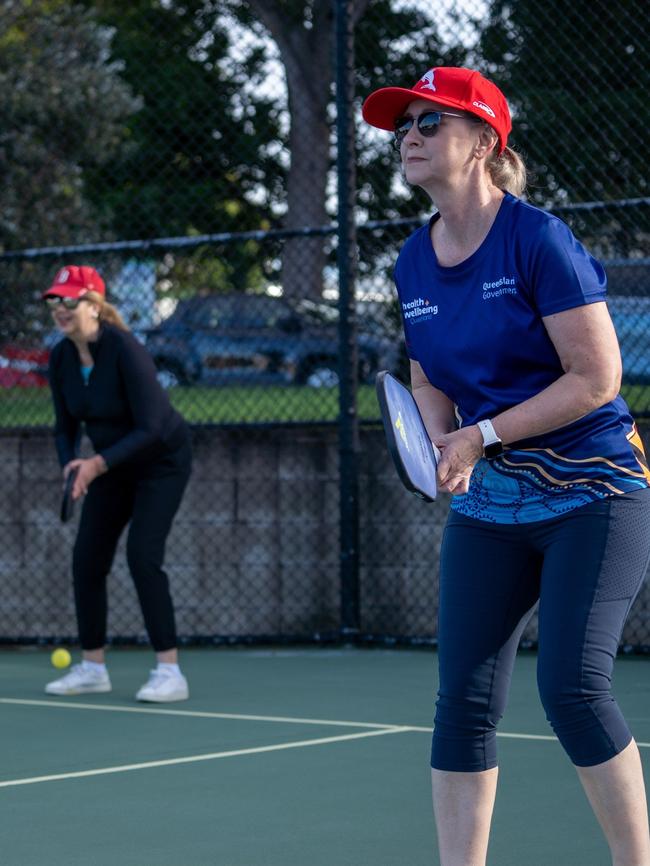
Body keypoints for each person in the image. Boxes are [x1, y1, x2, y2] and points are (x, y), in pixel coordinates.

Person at [362, 67, 650, 865]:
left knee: (573, 688)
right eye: (402, 127)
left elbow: (596, 378)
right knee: (462, 702)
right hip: (491, 509)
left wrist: (479, 436)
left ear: (485, 142)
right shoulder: (412, 262)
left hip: (595, 492)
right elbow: (428, 377)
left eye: (428, 123)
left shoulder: (538, 239)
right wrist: (437, 444)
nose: (408, 138)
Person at [43, 265, 192, 703]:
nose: (59, 309)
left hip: (161, 462)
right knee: (86, 559)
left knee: (143, 556)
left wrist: (96, 464)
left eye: (69, 300)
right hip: (109, 467)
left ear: (94, 305)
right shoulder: (60, 358)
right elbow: (64, 426)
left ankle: (170, 672)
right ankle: (92, 668)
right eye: (54, 301)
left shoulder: (125, 349)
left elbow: (153, 426)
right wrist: (72, 464)